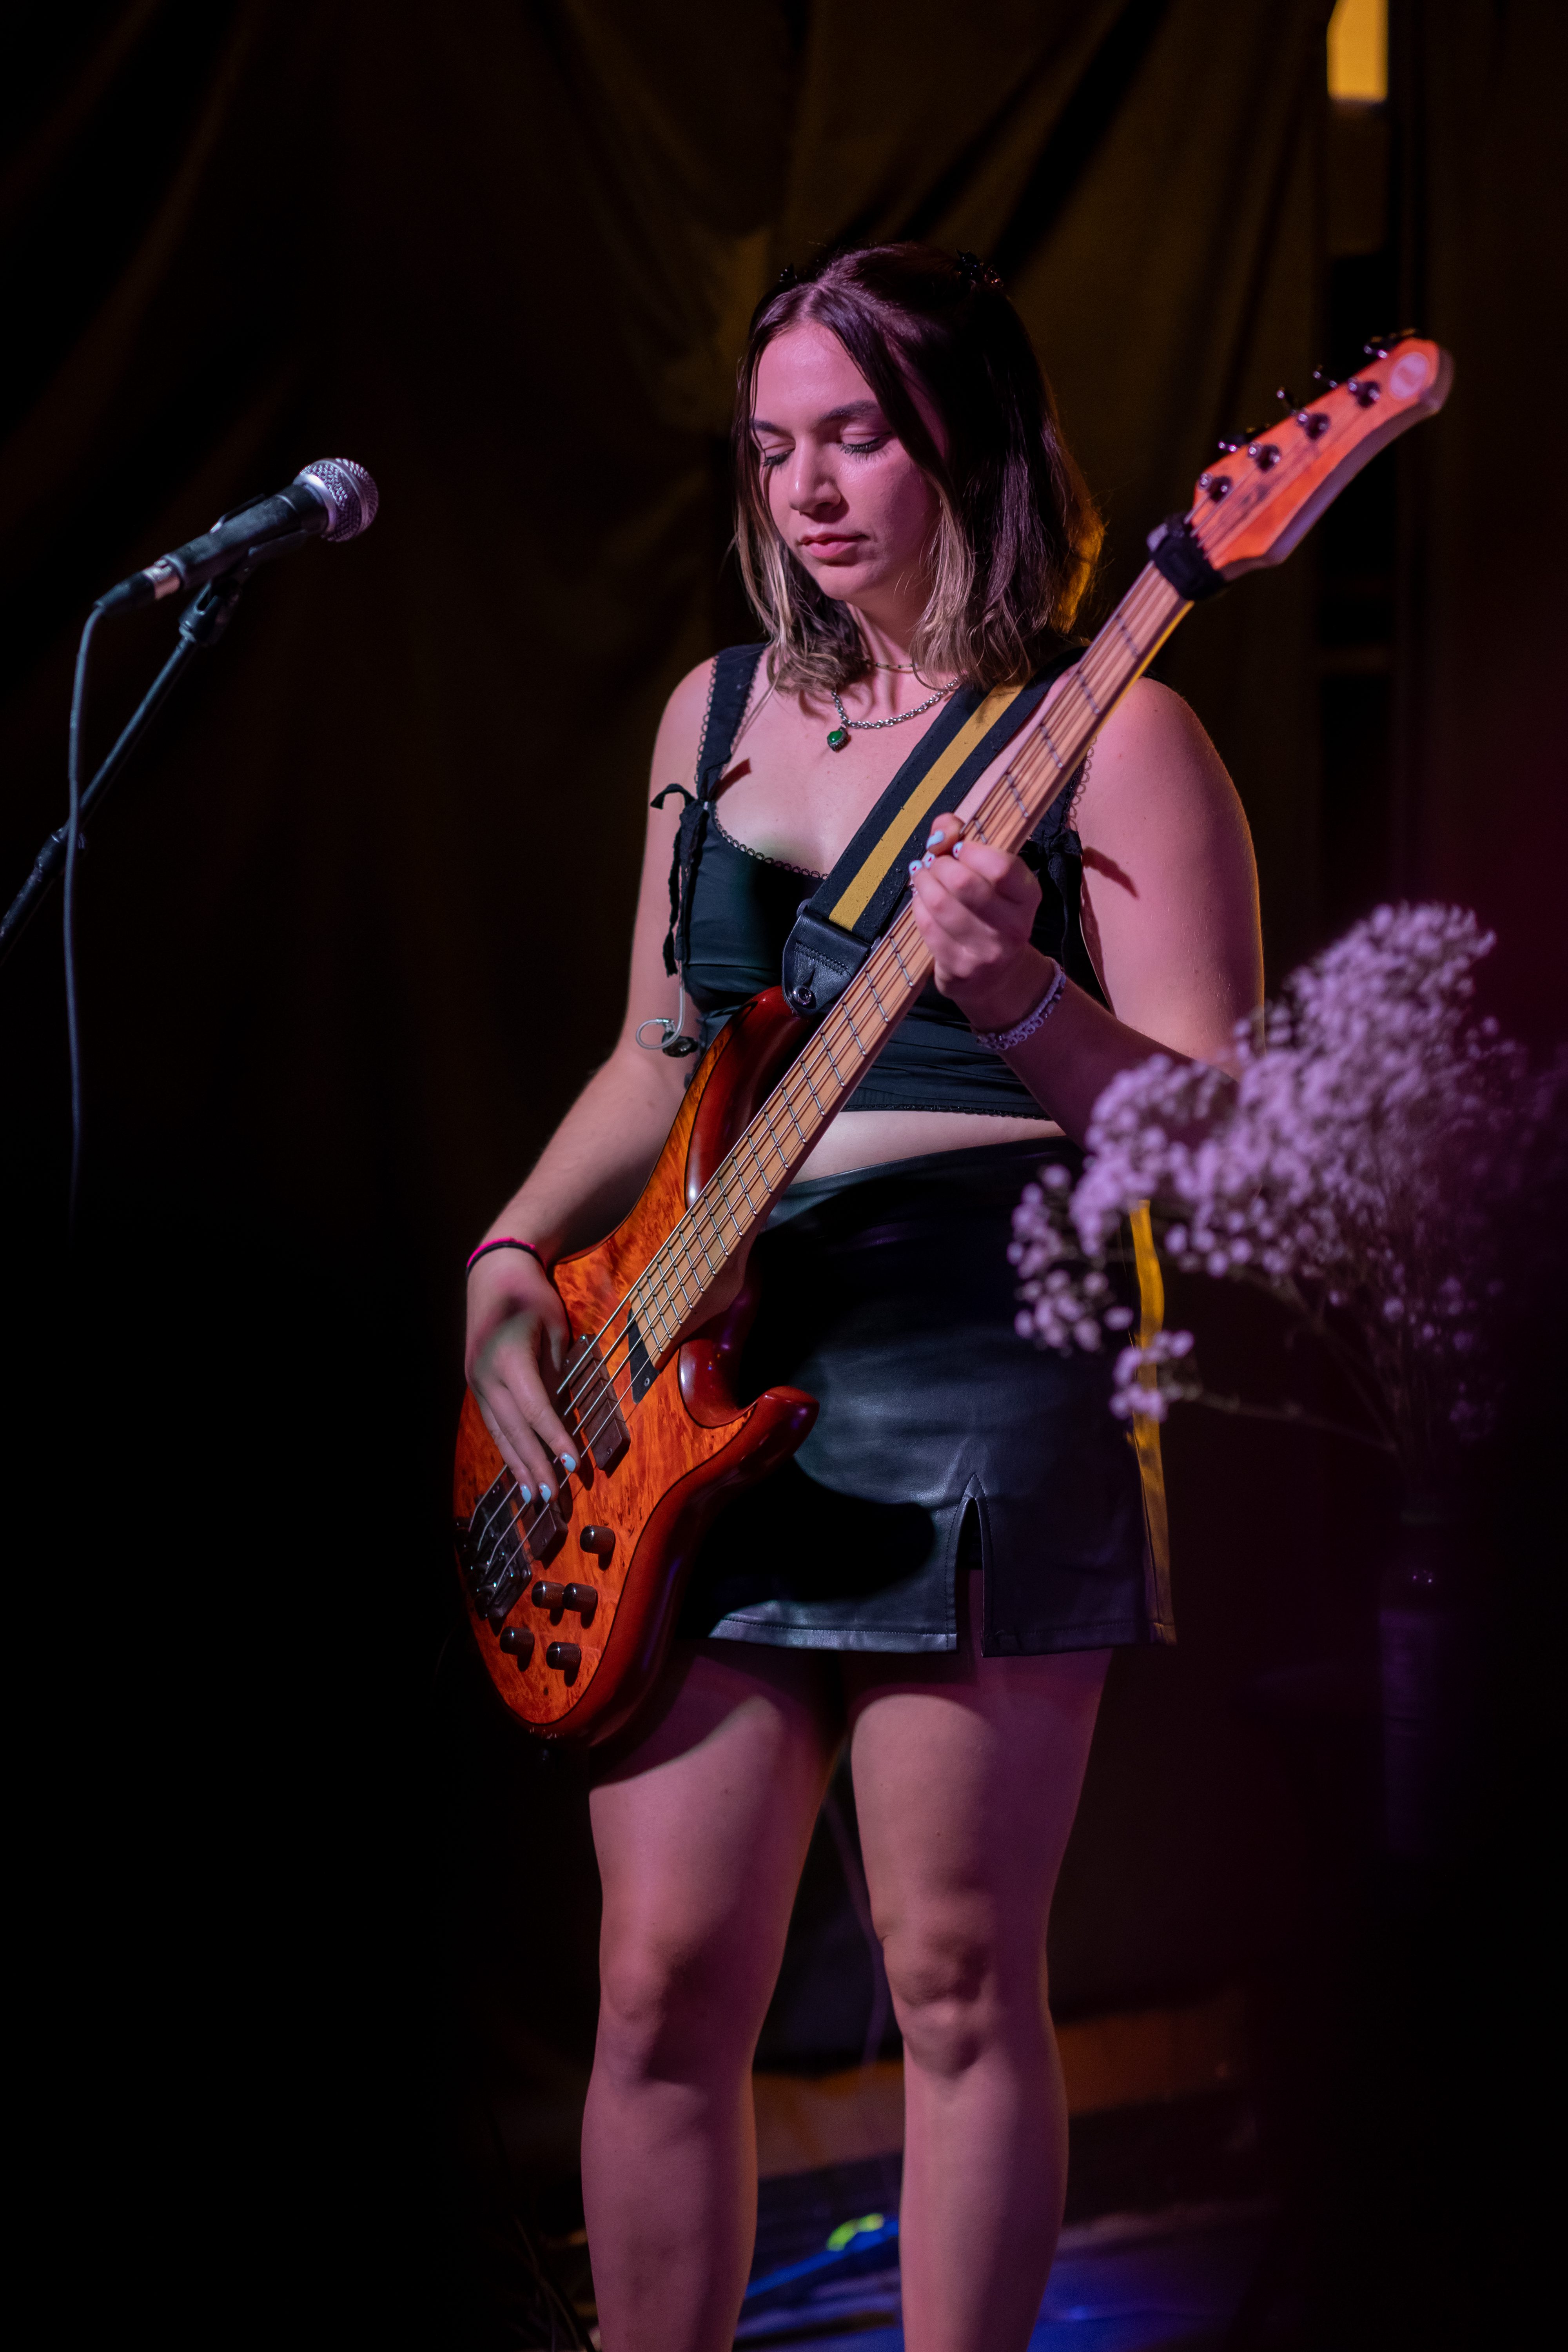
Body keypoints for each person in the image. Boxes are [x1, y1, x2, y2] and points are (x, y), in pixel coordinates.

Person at [464, 246, 1262, 2352]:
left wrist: (1017, 1004)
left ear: (966, 442)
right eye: (774, 446)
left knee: (956, 1983)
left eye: (855, 436)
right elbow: (657, 1056)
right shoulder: (712, 716)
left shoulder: (1124, 731)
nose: (808, 488)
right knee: (656, 1991)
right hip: (698, 1359)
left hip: (982, 1348)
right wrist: (505, 1266)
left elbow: (1219, 1141)